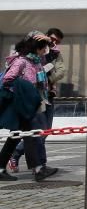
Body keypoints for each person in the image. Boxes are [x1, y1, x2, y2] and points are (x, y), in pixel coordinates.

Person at [0, 33, 59, 181]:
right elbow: (8, 79)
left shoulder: (36, 61)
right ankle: (38, 169)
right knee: (33, 135)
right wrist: (25, 91)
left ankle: (1, 168)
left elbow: (53, 54)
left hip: (34, 103)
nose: (45, 49)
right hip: (25, 105)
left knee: (16, 136)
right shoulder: (21, 61)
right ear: (36, 48)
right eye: (43, 47)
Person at [10, 28, 66, 174]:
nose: (54, 43)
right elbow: (10, 78)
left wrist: (48, 79)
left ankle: (38, 165)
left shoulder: (47, 54)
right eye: (52, 39)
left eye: (57, 42)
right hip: (31, 100)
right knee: (33, 132)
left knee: (42, 131)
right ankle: (36, 166)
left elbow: (61, 70)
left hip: (46, 96)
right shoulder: (24, 58)